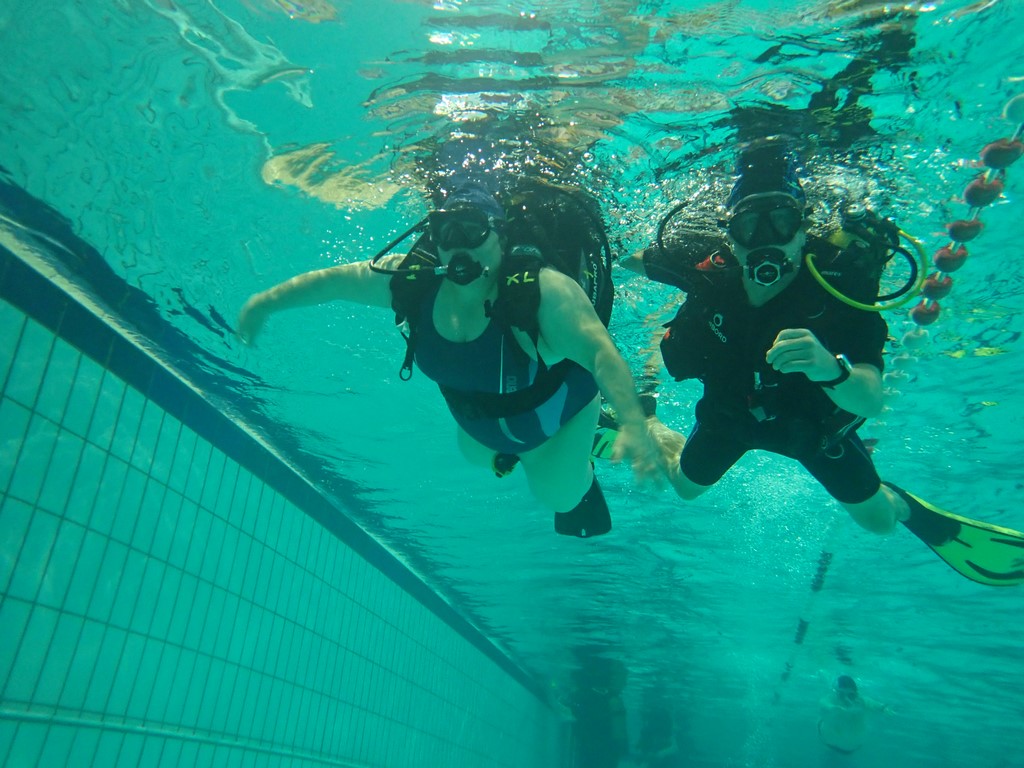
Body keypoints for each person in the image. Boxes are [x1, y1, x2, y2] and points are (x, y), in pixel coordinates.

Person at [622, 140, 1024, 585]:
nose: (766, 239)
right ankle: (651, 422)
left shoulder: (841, 285)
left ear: (803, 228)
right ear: (729, 237)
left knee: (880, 523)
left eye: (782, 222)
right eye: (749, 227)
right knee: (685, 489)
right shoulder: (709, 269)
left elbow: (870, 400)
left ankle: (904, 505)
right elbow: (626, 257)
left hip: (813, 428)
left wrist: (831, 370)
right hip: (730, 414)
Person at [237, 163, 660, 538]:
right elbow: (333, 283)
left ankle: (585, 443)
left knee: (559, 496)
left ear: (500, 236)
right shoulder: (415, 283)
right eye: (445, 231)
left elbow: (601, 354)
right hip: (483, 425)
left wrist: (633, 423)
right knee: (474, 453)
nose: (459, 245)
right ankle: (525, 450)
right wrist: (266, 302)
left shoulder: (540, 293)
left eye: (472, 230)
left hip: (564, 407)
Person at [817, 674, 888, 754]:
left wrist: (885, 709)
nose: (846, 699)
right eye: (841, 695)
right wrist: (831, 707)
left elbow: (880, 706)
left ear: (856, 694)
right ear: (836, 693)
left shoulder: (863, 702)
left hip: (850, 748)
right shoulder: (831, 699)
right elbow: (823, 703)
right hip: (828, 743)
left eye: (851, 695)